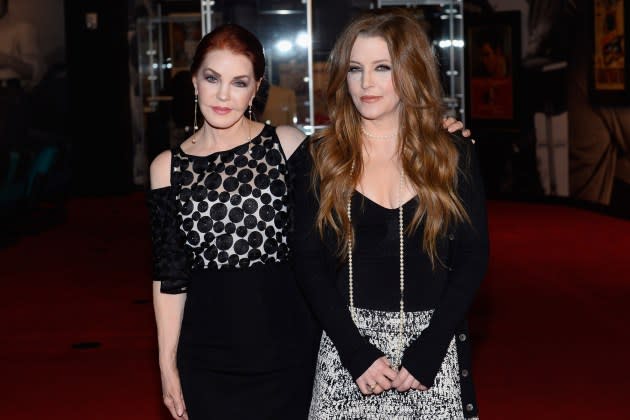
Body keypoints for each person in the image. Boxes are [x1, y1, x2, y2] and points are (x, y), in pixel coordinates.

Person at [147, 22, 469, 420]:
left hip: (289, 349)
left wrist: (434, 130)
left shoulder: (288, 145)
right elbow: (169, 276)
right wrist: (167, 364)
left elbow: (361, 151)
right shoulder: (167, 168)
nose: (223, 94)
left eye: (239, 81)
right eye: (212, 78)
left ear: (256, 88)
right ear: (194, 81)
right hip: (207, 356)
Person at [291, 8, 488, 419]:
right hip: (348, 358)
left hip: (430, 359)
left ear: (410, 70)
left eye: (382, 67)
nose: (366, 83)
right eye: (355, 69)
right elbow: (307, 263)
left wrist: (431, 348)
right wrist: (355, 351)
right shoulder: (318, 158)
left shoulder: (452, 155)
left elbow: (472, 258)